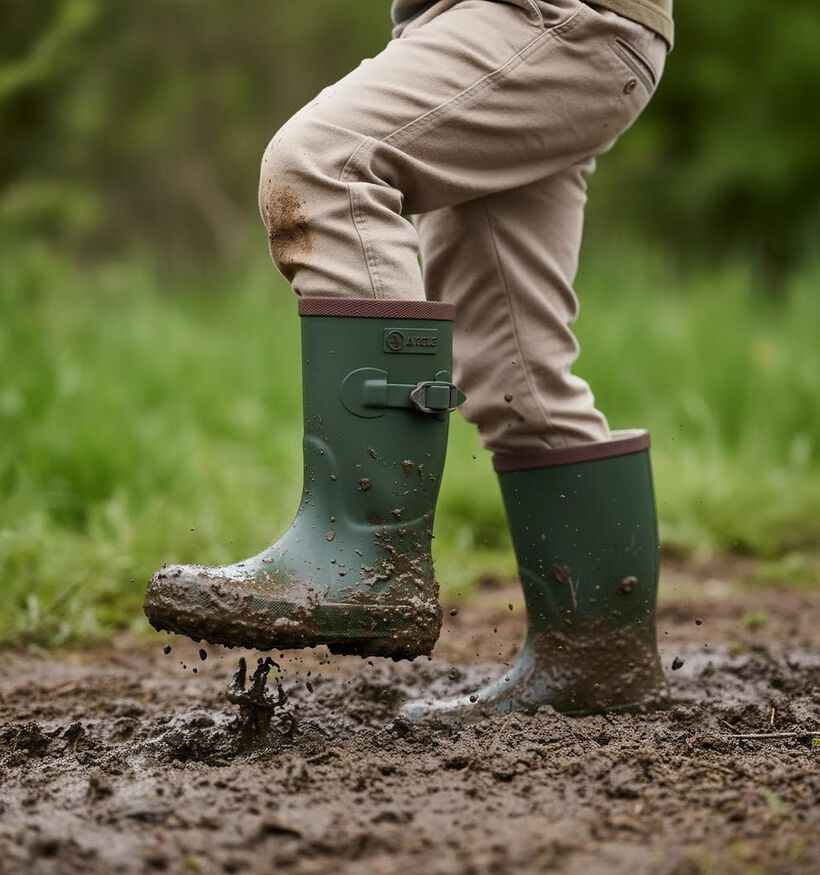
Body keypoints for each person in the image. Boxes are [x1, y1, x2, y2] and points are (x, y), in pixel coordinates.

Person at [145, 0, 674, 720]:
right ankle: (596, 657)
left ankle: (362, 554)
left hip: (547, 15)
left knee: (324, 164)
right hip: (514, 24)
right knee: (513, 367)